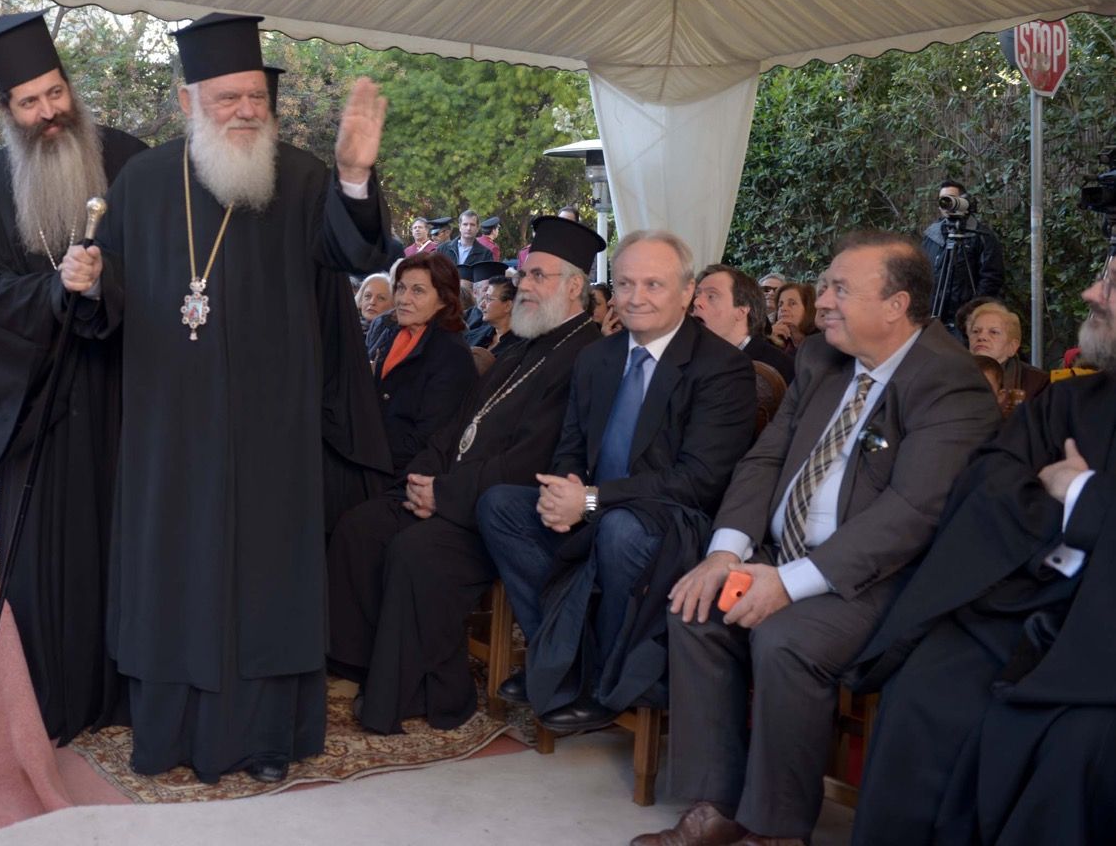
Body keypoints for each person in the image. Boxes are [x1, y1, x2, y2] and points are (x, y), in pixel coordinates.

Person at [58, 12, 398, 782]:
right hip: (168, 430)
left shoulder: (303, 178)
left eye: (256, 97)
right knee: (175, 574)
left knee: (264, 580)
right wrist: (86, 284)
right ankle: (167, 735)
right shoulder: (143, 184)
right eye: (227, 98)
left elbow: (354, 251)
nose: (246, 110)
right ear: (188, 102)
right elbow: (106, 297)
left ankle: (267, 739)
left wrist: (353, 176)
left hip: (271, 430)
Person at [638, 231, 998, 846]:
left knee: (786, 639)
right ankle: (716, 804)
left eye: (839, 290)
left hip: (877, 581)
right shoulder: (820, 359)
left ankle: (776, 830)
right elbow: (764, 460)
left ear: (896, 305)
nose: (822, 301)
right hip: (783, 555)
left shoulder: (949, 382)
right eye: (825, 286)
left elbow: (912, 513)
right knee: (695, 608)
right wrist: (726, 554)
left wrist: (788, 583)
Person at [849, 255, 1116, 846]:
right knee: (923, 687)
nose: (1090, 292)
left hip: (1102, 646)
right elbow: (991, 480)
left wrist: (1080, 495)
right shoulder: (1072, 403)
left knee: (1074, 750)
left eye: (1112, 283)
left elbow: (1072, 495)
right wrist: (1060, 522)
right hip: (1028, 600)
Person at [326, 216, 607, 735]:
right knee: (360, 528)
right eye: (526, 273)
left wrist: (446, 494)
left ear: (573, 287)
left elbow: (531, 459)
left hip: (500, 512)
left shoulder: (584, 356)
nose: (524, 284)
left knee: (414, 552)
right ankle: (363, 665)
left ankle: (430, 692)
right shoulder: (523, 344)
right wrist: (423, 477)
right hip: (451, 490)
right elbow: (458, 424)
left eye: (538, 275)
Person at [0, 9, 147, 744]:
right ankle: (54, 699)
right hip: (42, 407)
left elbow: (178, 269)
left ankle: (133, 693)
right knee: (50, 562)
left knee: (134, 550)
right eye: (29, 101)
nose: (48, 112)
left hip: (130, 399)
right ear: (8, 111)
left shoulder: (131, 164)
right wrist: (54, 290)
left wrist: (105, 284)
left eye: (55, 92)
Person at [479, 232, 757, 733]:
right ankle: (565, 661)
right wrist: (564, 492)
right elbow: (571, 445)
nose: (635, 297)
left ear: (687, 292)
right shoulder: (597, 357)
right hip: (595, 506)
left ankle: (602, 682)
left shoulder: (722, 368)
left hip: (668, 521)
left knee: (619, 529)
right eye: (625, 283)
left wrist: (590, 499)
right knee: (499, 504)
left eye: (653, 284)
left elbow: (699, 480)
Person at [367, 252, 476, 473]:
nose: (403, 299)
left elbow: (427, 440)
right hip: (373, 456)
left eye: (417, 290)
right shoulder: (392, 335)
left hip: (404, 474)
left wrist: (362, 449)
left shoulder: (452, 355)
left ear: (444, 299)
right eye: (400, 288)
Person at [921, 179, 1006, 330]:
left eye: (951, 199)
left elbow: (991, 279)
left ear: (964, 202)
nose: (946, 204)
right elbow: (922, 272)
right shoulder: (932, 235)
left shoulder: (981, 236)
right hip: (934, 317)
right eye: (942, 200)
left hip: (966, 320)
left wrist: (973, 311)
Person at [694, 264, 795, 383]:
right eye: (697, 295)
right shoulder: (692, 356)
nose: (696, 302)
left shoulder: (779, 368)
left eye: (711, 296)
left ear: (742, 310)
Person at [965, 302, 1049, 403]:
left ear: (1012, 346)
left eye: (994, 332)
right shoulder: (953, 374)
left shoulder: (1038, 383)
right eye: (975, 331)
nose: (981, 337)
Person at [466, 275, 521, 356]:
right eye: (484, 298)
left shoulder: (522, 347)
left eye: (489, 299)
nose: (482, 305)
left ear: (508, 306)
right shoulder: (472, 335)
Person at [768, 280, 817, 353]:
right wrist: (768, 339)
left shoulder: (821, 341)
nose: (783, 308)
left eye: (792, 303)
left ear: (808, 308)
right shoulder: (776, 340)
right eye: (780, 305)